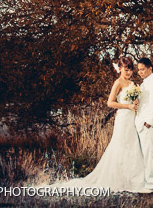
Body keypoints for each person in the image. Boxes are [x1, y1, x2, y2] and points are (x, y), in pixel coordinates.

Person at [50, 56, 146, 192]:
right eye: (126, 69)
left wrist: (135, 104)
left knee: (132, 147)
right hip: (123, 119)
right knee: (120, 146)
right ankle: (117, 179)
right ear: (119, 69)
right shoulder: (118, 83)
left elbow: (133, 102)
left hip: (131, 119)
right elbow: (110, 102)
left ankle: (132, 179)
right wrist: (127, 107)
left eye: (130, 69)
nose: (129, 72)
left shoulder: (132, 84)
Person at [135, 57, 153, 191]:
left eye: (142, 69)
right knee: (147, 154)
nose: (140, 72)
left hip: (148, 124)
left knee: (149, 154)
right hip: (141, 123)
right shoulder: (145, 83)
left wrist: (149, 123)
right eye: (139, 70)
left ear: (150, 69)